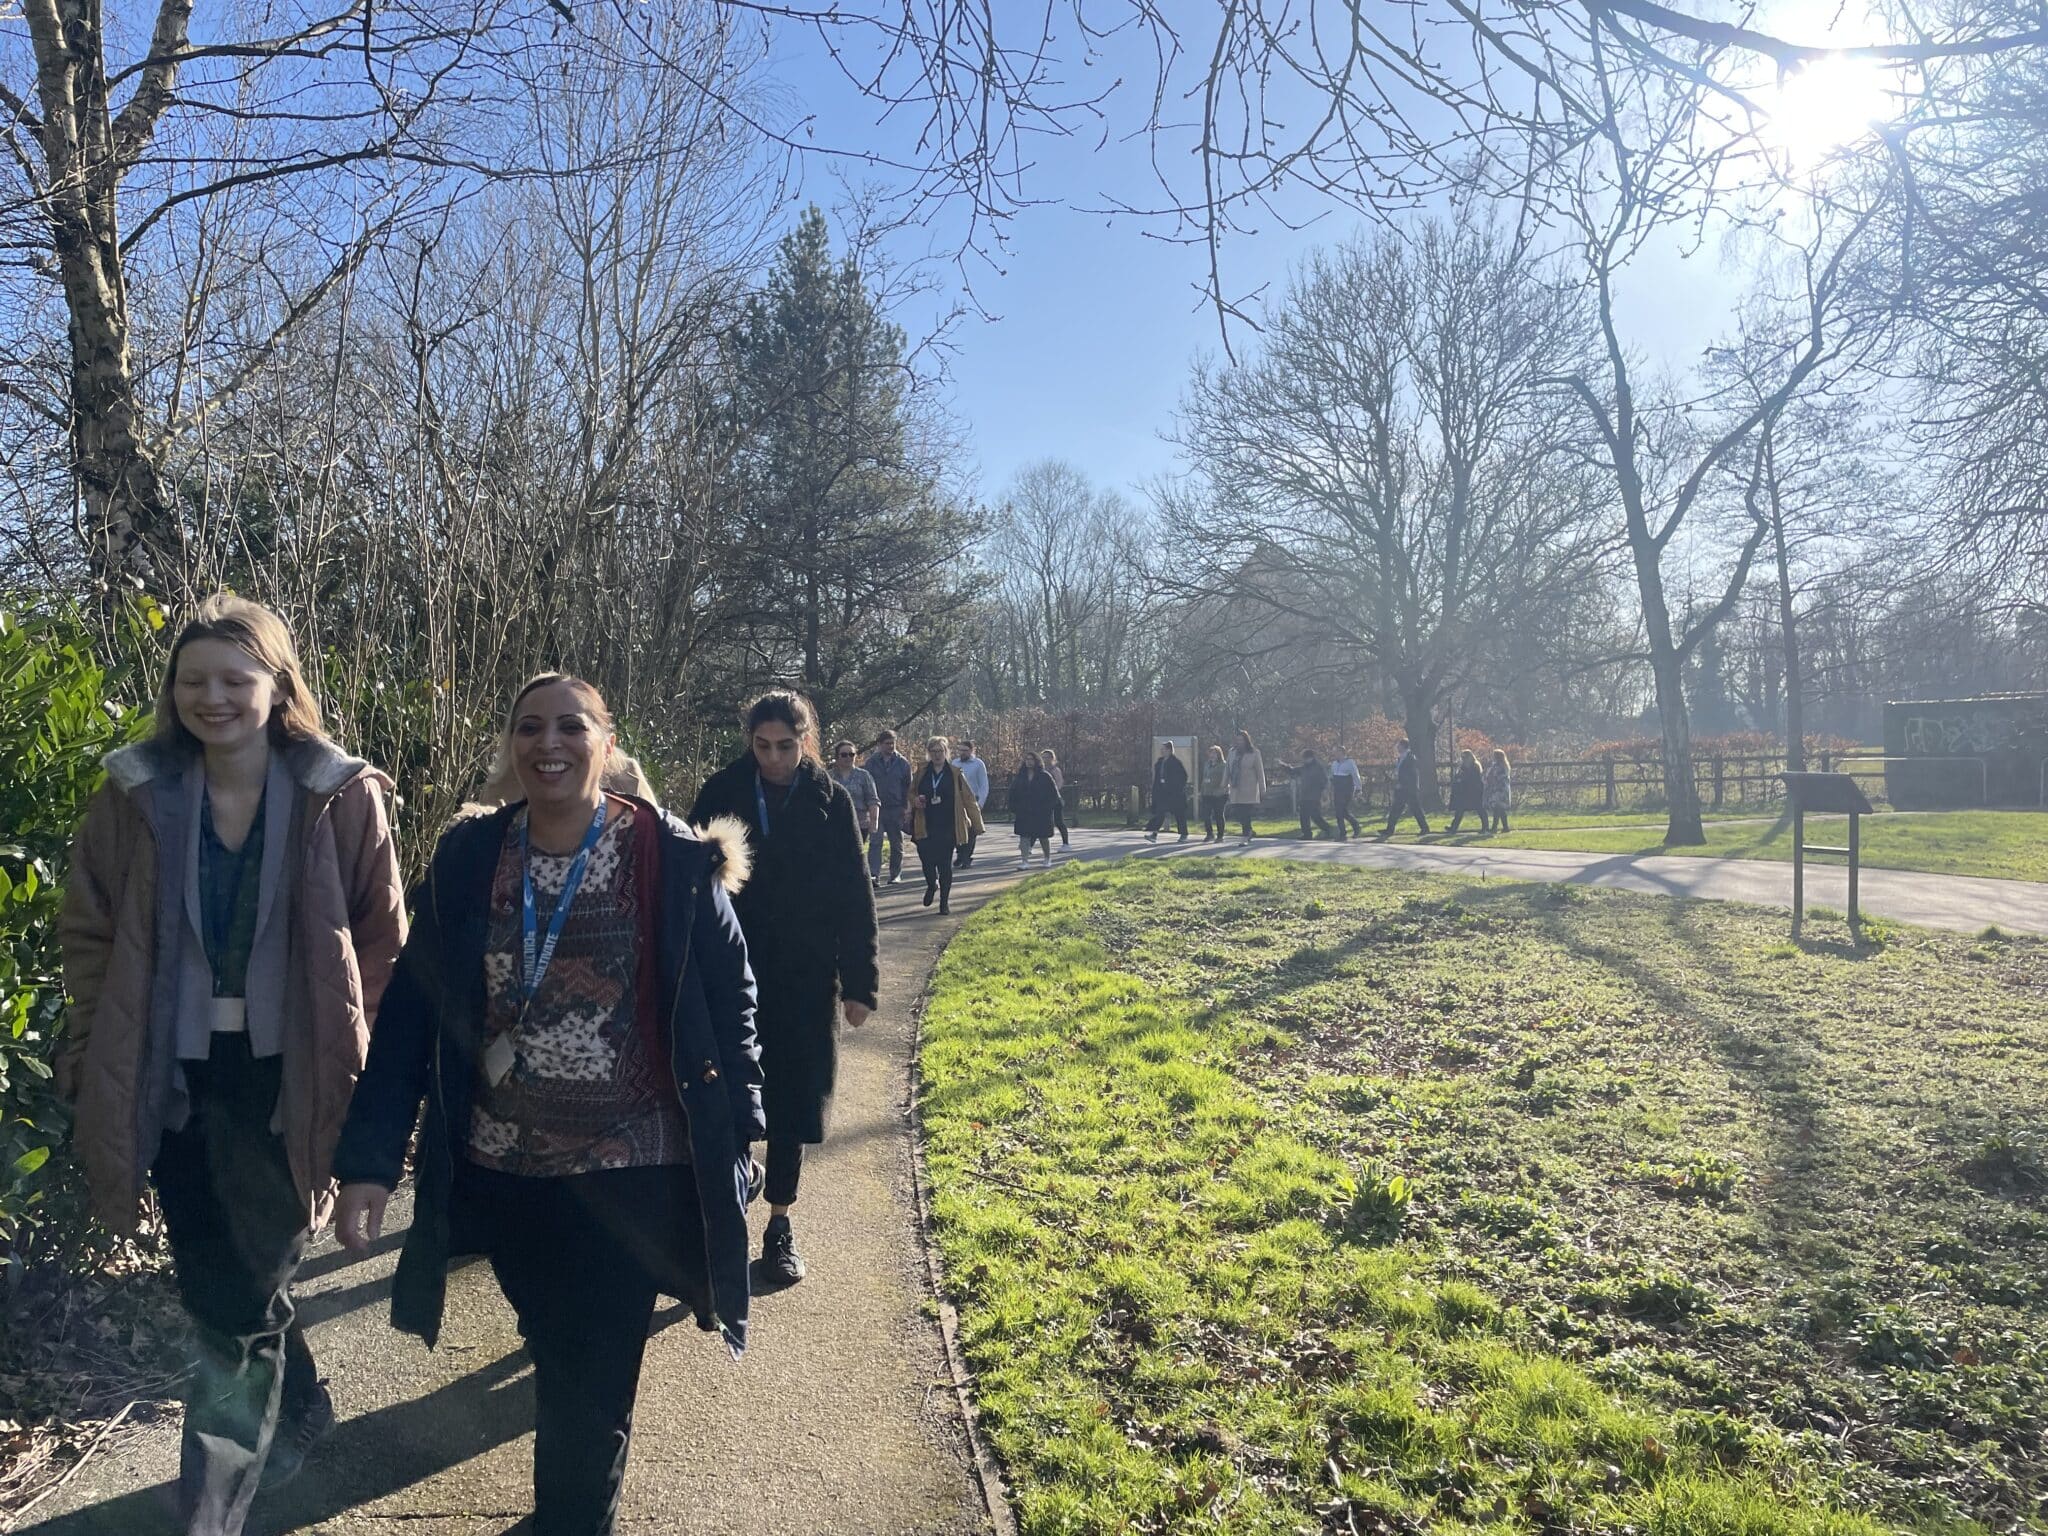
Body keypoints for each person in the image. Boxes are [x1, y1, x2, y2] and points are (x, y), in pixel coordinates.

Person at [332, 674, 762, 1536]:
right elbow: (415, 1013)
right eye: (530, 727)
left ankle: (568, 1518)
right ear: (511, 747)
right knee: (561, 1354)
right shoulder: (467, 861)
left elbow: (733, 1000)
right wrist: (371, 1162)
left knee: (593, 1378)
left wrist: (744, 1131)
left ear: (607, 744)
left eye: (572, 726)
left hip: (636, 1168)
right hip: (506, 1172)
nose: (549, 744)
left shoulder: (673, 859)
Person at [56, 594, 406, 1534]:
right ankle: (302, 1407)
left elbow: (382, 943)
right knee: (224, 1282)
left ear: (277, 685)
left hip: (286, 1082)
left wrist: (360, 1062)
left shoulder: (341, 792)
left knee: (235, 1305)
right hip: (169, 1078)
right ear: (172, 692)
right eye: (193, 680)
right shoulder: (134, 792)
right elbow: (88, 933)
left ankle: (210, 1513)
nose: (213, 697)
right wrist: (87, 1053)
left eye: (235, 679)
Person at [688, 694, 880, 1287]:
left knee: (791, 1104)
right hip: (733, 973)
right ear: (750, 741)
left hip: (803, 976)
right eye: (763, 746)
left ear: (806, 742)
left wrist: (860, 982)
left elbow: (855, 890)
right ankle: (724, 1221)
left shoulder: (832, 800)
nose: (773, 758)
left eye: (786, 746)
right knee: (728, 1098)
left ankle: (780, 1226)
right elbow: (688, 882)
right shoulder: (721, 792)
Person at [911, 735, 984, 913]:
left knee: (944, 864)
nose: (937, 755)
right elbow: (911, 793)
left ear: (946, 752)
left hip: (948, 825)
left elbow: (968, 799)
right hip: (925, 822)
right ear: (929, 753)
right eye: (933, 751)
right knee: (927, 861)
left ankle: (944, 903)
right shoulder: (921, 772)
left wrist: (977, 824)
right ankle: (931, 884)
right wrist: (915, 800)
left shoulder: (955, 773)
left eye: (940, 751)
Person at [864, 730, 913, 887]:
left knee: (896, 843)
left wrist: (907, 808)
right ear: (879, 744)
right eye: (887, 743)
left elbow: (908, 787)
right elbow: (866, 786)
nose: (891, 746)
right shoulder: (871, 763)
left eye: (893, 743)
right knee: (876, 842)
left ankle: (895, 874)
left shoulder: (903, 763)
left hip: (896, 808)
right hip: (877, 808)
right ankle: (874, 874)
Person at [829, 738, 881, 858]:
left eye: (851, 754)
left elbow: (873, 799)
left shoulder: (864, 776)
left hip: (860, 823)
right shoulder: (829, 776)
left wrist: (874, 821)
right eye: (844, 754)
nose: (848, 757)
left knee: (854, 855)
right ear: (837, 757)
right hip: (836, 824)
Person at [1011, 752, 1060, 868]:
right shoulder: (1020, 776)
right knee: (1024, 836)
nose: (1029, 762)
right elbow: (1012, 793)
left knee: (1043, 836)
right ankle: (1024, 861)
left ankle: (1047, 858)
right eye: (1027, 759)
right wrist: (1015, 808)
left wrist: (1048, 808)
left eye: (1031, 759)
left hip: (1041, 812)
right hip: (1024, 812)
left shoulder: (1045, 776)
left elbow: (1054, 795)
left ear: (1037, 761)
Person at [1382, 738, 1433, 837]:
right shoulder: (1400, 758)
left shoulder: (1410, 758)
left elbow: (1411, 774)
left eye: (1399, 745)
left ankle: (1425, 828)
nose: (1397, 747)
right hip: (1401, 788)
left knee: (1415, 809)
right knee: (1395, 809)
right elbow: (1400, 772)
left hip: (1409, 789)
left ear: (1404, 746)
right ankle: (1389, 830)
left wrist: (1403, 783)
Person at [952, 738, 990, 868]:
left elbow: (983, 784)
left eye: (965, 750)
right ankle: (960, 854)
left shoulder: (978, 764)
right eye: (960, 750)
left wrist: (981, 802)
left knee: (972, 831)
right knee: (958, 829)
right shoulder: (954, 763)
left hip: (973, 801)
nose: (962, 753)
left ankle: (967, 857)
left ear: (971, 751)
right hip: (958, 801)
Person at [1225, 729, 1266, 845]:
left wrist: (1263, 789)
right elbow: (1227, 769)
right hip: (1235, 787)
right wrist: (1224, 784)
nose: (1239, 742)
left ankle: (1245, 836)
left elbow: (1260, 772)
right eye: (1237, 740)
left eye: (1241, 740)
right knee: (1238, 812)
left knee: (1245, 812)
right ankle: (1249, 831)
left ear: (1246, 740)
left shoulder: (1254, 752)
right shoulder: (1232, 752)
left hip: (1249, 788)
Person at [1144, 741, 1190, 842]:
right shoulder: (1160, 762)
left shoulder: (1176, 762)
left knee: (1179, 814)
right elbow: (1157, 779)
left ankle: (1184, 834)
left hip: (1175, 794)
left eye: (1163, 749)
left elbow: (1184, 777)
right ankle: (1154, 834)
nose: (1161, 751)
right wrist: (1155, 791)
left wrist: (1177, 788)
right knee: (1160, 813)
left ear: (1169, 750)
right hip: (1163, 793)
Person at [1287, 749, 1336, 839]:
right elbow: (1294, 771)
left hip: (1314, 795)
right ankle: (1307, 834)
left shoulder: (1318, 767)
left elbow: (1324, 780)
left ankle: (1328, 829)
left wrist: (1323, 792)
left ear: (1311, 758)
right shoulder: (1304, 767)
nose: (1304, 760)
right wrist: (1285, 767)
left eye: (1305, 758)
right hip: (1304, 795)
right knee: (1303, 815)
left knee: (1315, 816)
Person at [1447, 749, 1488, 834]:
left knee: (1479, 808)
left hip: (1475, 790)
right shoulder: (1463, 766)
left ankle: (1485, 827)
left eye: (1465, 757)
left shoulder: (1475, 766)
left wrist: (1463, 778)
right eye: (1462, 757)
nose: (1463, 759)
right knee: (1460, 809)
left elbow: (1473, 778)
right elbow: (1458, 776)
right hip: (1465, 791)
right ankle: (1453, 828)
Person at [1038, 749, 1071, 851]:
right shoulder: (1040, 770)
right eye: (1043, 757)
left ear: (1052, 758)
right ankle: (1029, 845)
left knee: (1059, 821)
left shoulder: (1055, 770)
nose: (1045, 759)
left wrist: (1051, 793)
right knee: (1039, 821)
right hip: (1042, 800)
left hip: (1054, 799)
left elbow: (1059, 783)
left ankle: (1066, 844)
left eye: (1047, 757)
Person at [1328, 748, 1364, 837]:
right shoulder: (1334, 764)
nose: (1335, 754)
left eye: (1337, 752)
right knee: (1342, 812)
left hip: (1347, 789)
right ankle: (1356, 826)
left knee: (1340, 811)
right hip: (1337, 789)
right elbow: (1332, 776)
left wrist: (1359, 788)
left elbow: (1356, 775)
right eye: (1335, 752)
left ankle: (1343, 833)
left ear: (1343, 753)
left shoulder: (1349, 763)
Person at [1198, 744, 1229, 842]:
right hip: (1207, 793)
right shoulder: (1207, 764)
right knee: (1206, 814)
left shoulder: (1223, 765)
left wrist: (1222, 787)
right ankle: (1209, 834)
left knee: (1219, 814)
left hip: (1219, 794)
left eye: (1214, 753)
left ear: (1219, 754)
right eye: (1210, 753)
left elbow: (1226, 778)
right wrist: (1201, 790)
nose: (1212, 755)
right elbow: (1204, 777)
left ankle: (1220, 836)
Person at [1483, 748, 1514, 833]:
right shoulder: (1501, 765)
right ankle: (1504, 827)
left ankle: (1495, 827)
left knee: (1498, 807)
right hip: (1500, 789)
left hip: (1499, 789)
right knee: (1499, 808)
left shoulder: (1500, 766)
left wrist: (1491, 780)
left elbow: (1496, 776)